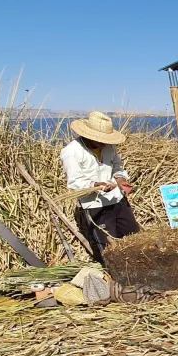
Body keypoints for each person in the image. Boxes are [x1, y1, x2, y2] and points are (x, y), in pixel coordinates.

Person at [61, 111, 141, 263]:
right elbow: (74, 182)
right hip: (96, 206)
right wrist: (96, 185)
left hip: (118, 200)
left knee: (133, 236)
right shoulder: (72, 152)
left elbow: (117, 166)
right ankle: (115, 278)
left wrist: (120, 179)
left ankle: (136, 268)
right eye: (101, 140)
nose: (104, 143)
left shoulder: (109, 147)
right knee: (108, 247)